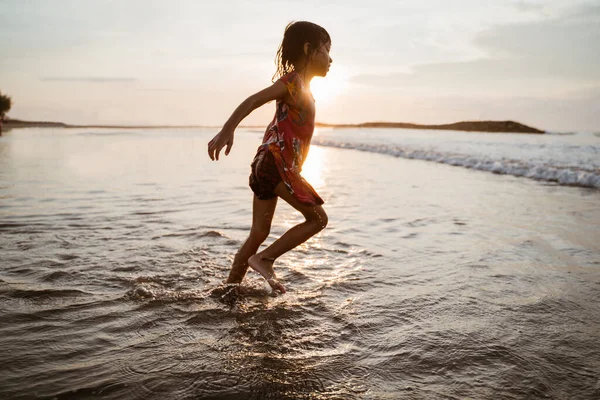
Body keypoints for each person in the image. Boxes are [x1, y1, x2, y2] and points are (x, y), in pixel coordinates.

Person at [207, 21, 333, 294]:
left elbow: (280, 124)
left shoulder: (303, 90)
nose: (330, 58)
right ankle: (265, 259)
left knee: (258, 234)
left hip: (267, 165)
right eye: (326, 50)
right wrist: (227, 130)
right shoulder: (292, 83)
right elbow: (253, 100)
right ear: (309, 49)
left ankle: (229, 293)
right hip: (277, 166)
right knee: (318, 219)